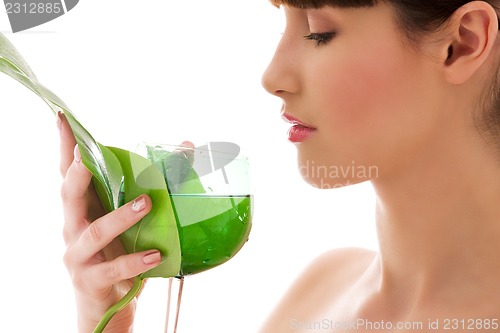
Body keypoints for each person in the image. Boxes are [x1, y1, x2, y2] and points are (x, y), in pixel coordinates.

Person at [58, 0, 500, 331]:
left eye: (317, 32)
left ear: (461, 44)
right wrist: (108, 314)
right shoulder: (321, 288)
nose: (272, 76)